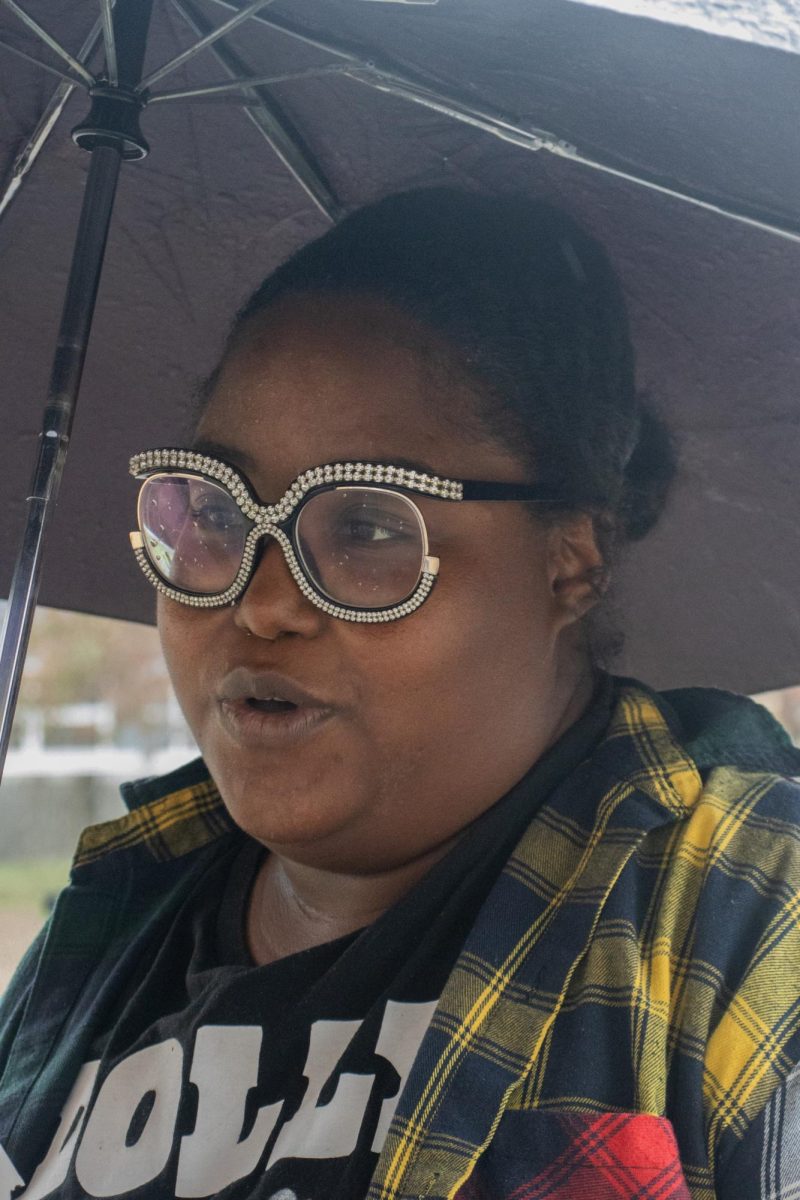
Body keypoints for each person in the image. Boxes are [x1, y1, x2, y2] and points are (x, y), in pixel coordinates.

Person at [1, 188, 798, 1200]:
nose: (263, 601)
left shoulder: (739, 914)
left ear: (567, 563)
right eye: (215, 507)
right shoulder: (124, 908)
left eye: (369, 527)